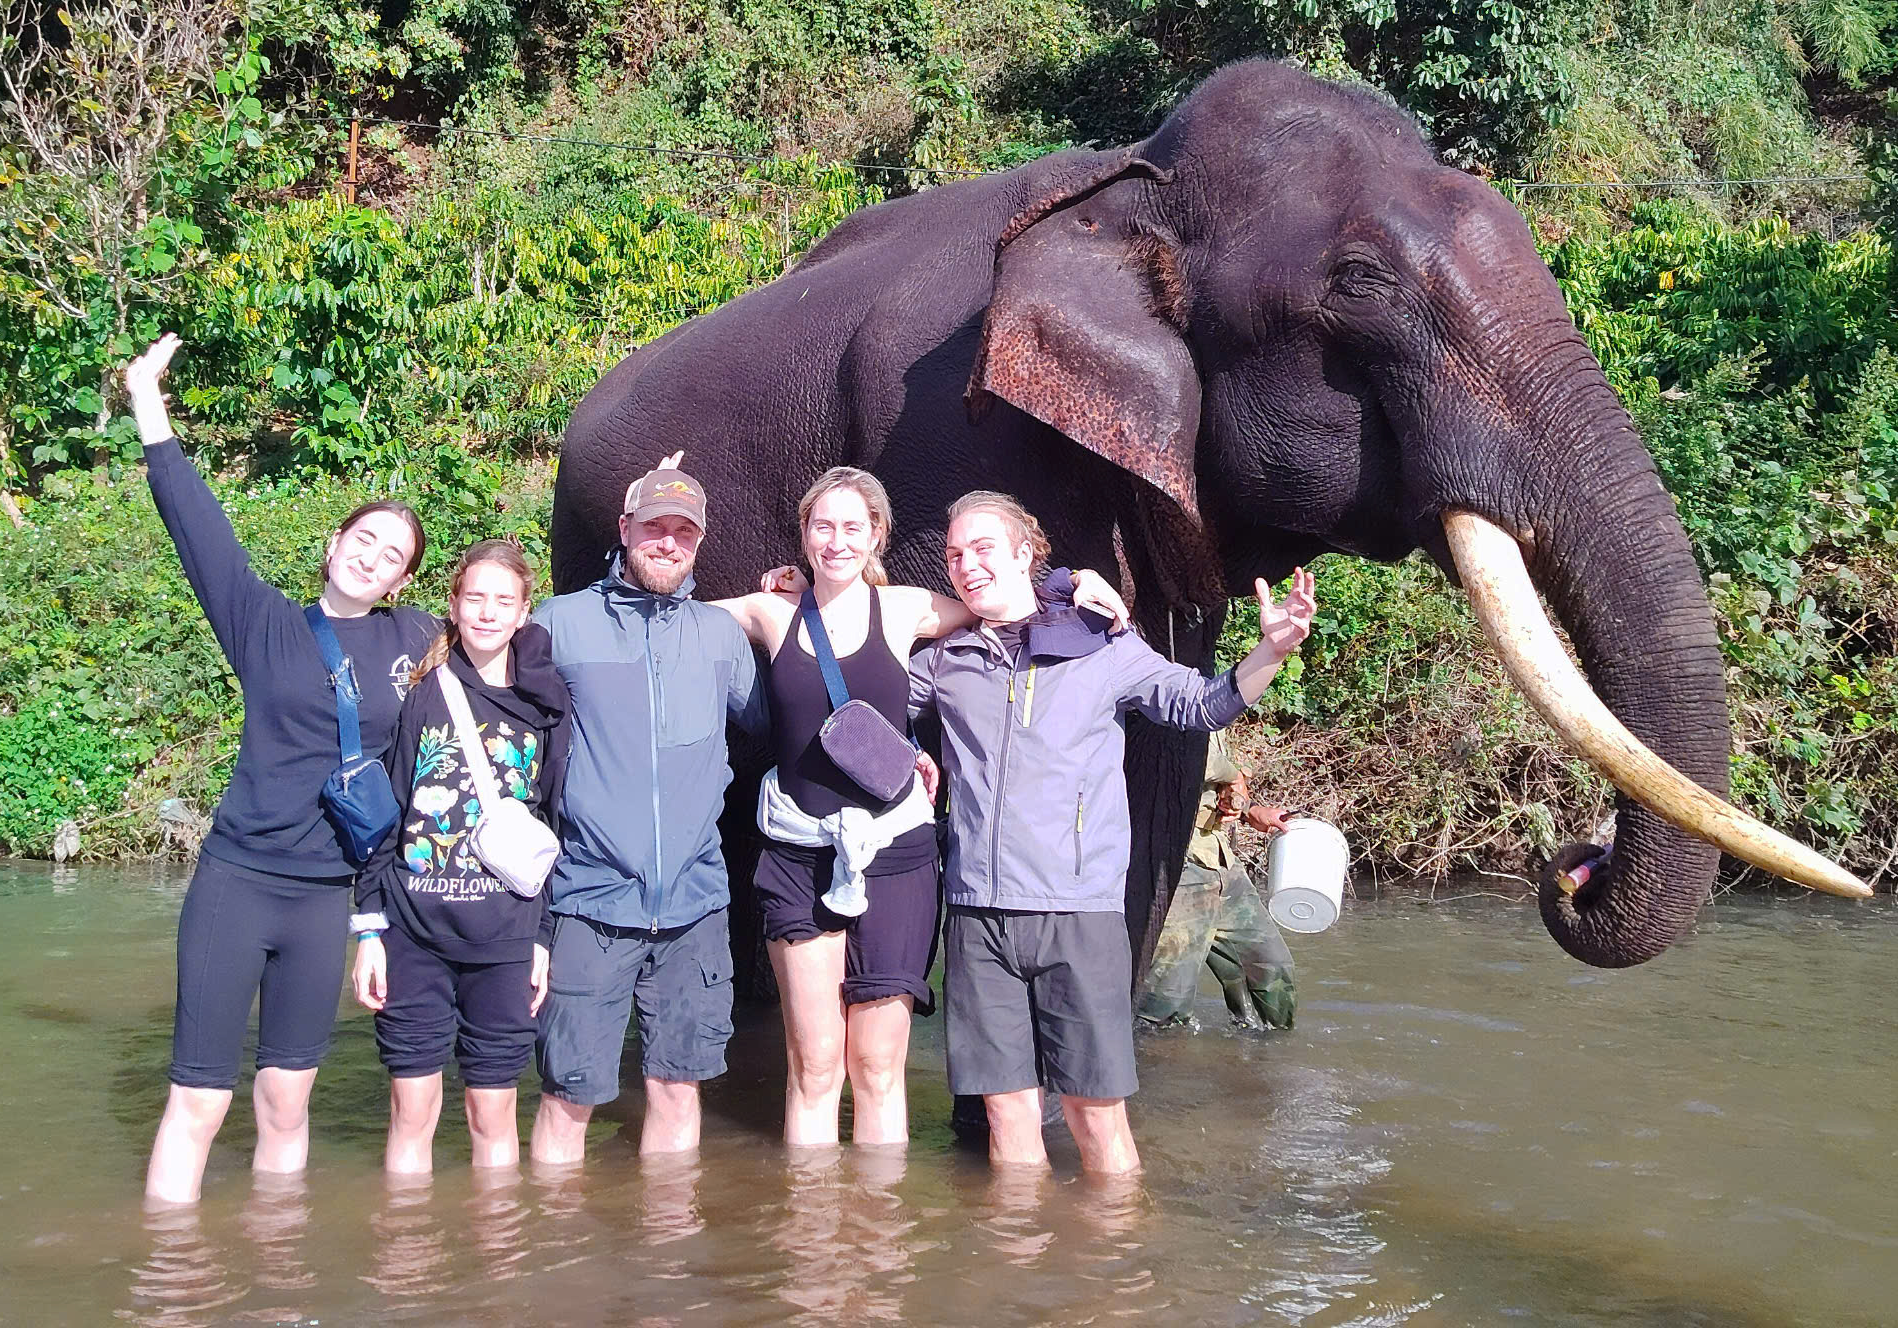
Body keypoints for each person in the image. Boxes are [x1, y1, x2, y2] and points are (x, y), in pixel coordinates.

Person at [706, 467, 1129, 1148]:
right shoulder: (770, 613)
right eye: (823, 527)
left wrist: (1070, 579)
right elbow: (672, 617)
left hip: (896, 858)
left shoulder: (903, 608)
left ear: (876, 534)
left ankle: (878, 1245)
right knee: (815, 1068)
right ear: (804, 534)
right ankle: (812, 1245)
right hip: (796, 854)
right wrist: (632, 546)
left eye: (853, 527)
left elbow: (1002, 601)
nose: (837, 541)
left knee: (876, 1068)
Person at [906, 490, 1316, 1176]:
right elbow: (862, 695)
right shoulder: (946, 662)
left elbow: (1201, 703)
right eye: (953, 553)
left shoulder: (1105, 647)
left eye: (982, 549)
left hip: (1080, 912)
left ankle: (1117, 1270)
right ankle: (1019, 1266)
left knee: (1092, 1111)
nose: (965, 564)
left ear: (1025, 555)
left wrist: (1269, 649)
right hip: (978, 916)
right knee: (1007, 1112)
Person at [125, 333, 440, 1206]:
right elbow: (197, 525)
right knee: (199, 1097)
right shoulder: (265, 623)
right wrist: (148, 400)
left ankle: (277, 1274)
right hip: (239, 880)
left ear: (402, 581)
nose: (371, 559)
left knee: (286, 1097)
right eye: (364, 540)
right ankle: (169, 1281)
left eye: (393, 558)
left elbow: (513, 632)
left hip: (323, 897)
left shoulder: (416, 642)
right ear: (335, 540)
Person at [526, 459, 761, 1163]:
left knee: (677, 1089)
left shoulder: (721, 638)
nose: (667, 542)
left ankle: (665, 1258)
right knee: (568, 1095)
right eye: (653, 526)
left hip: (695, 906)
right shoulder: (557, 625)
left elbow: (770, 728)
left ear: (699, 543)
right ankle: (550, 1256)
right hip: (588, 902)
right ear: (624, 529)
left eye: (682, 532)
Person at [350, 540, 570, 1175]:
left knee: (492, 1115)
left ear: (525, 613)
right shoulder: (420, 693)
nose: (488, 613)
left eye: (505, 601)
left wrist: (542, 939)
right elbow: (386, 817)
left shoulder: (544, 706)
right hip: (414, 937)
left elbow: (553, 825)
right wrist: (370, 929)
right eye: (475, 598)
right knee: (411, 1113)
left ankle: (496, 1262)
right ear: (453, 604)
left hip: (505, 938)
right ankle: (408, 1264)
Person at [1134, 731, 1298, 1031]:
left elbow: (1219, 779)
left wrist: (1246, 809)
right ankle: (1149, 1071)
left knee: (1272, 969)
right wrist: (1234, 775)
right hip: (1175, 866)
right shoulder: (1165, 691)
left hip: (1222, 862)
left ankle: (1269, 1065)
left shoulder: (1215, 696)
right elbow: (1189, 757)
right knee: (1165, 1006)